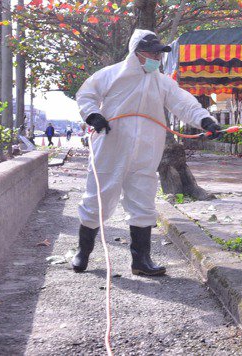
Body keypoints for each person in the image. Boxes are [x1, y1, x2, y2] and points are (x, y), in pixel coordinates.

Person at [71, 29, 223, 277]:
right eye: (152, 53)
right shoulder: (110, 75)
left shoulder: (162, 82)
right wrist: (93, 115)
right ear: (136, 53)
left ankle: (141, 260)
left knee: (143, 201)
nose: (157, 58)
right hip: (110, 147)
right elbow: (86, 95)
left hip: (145, 152)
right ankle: (83, 252)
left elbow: (184, 103)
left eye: (159, 53)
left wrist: (205, 121)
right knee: (97, 198)